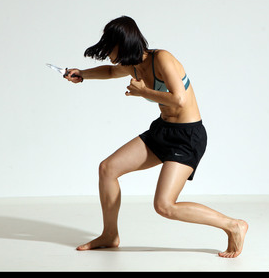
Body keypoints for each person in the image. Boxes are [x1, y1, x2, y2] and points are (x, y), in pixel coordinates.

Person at [65, 16, 248, 258]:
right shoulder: (131, 64)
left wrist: (144, 92)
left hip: (188, 136)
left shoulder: (162, 58)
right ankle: (110, 235)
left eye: (110, 47)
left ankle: (234, 225)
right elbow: (110, 71)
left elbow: (179, 99)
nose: (108, 53)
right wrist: (82, 74)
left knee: (164, 206)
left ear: (125, 43)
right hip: (162, 130)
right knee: (107, 168)